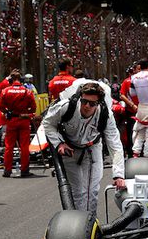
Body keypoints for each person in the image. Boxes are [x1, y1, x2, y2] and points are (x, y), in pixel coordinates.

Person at [42, 82, 125, 215]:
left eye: (92, 104)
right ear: (80, 98)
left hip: (93, 148)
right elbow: (47, 123)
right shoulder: (66, 107)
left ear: (98, 104)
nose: (87, 106)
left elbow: (114, 144)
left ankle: (89, 224)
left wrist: (118, 174)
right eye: (84, 101)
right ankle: (78, 225)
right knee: (78, 191)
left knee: (92, 191)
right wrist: (59, 143)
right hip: (69, 149)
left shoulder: (105, 115)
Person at [0, 70, 37, 177]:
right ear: (21, 80)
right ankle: (24, 170)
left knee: (9, 146)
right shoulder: (27, 91)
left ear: (11, 80)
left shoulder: (5, 91)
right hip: (23, 120)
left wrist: (8, 112)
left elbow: (1, 106)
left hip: (11, 120)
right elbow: (33, 108)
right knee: (24, 146)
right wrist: (25, 113)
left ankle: (7, 170)